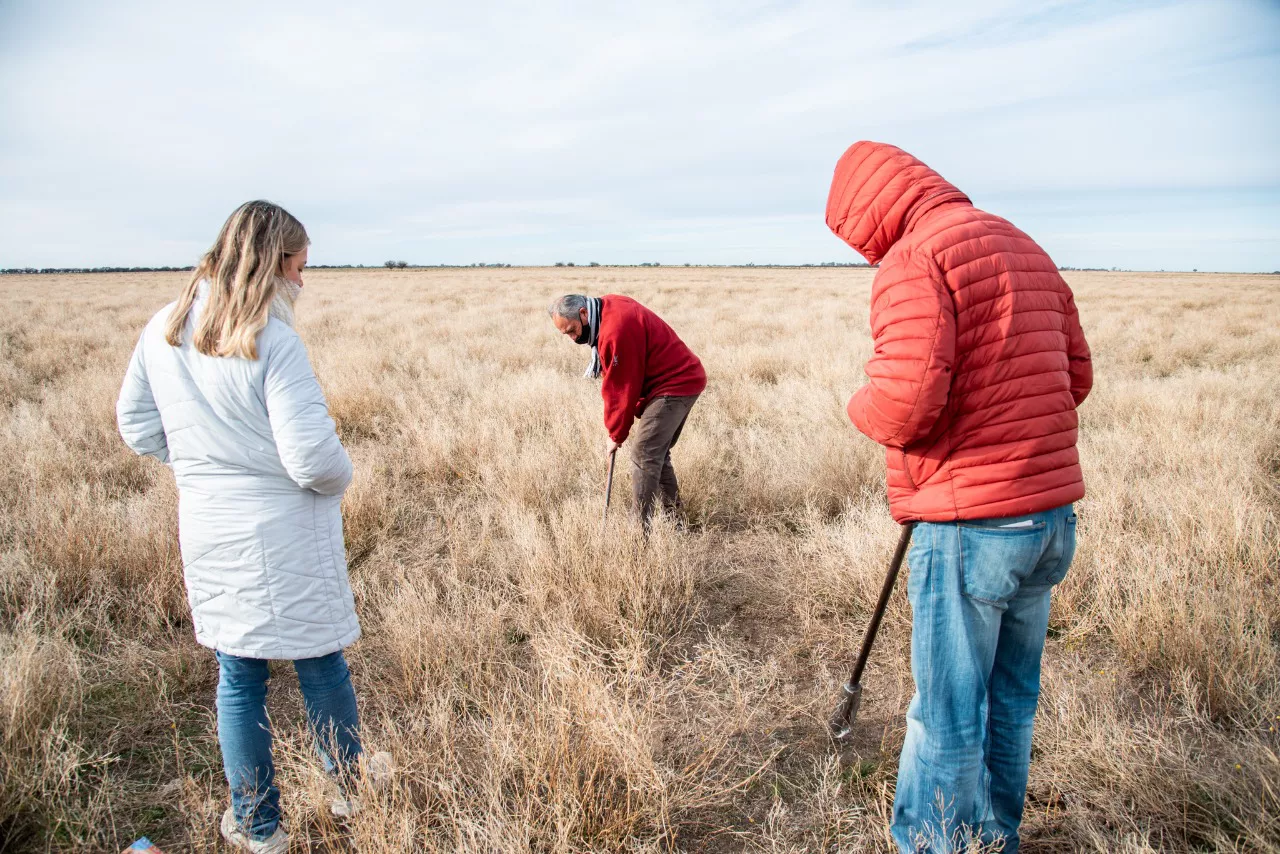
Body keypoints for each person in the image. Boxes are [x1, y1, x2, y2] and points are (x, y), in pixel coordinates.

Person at [825, 142, 1092, 853]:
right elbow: (1077, 375)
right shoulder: (1018, 241)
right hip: (1048, 518)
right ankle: (991, 838)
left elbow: (906, 402)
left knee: (946, 712)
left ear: (869, 212)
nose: (863, 250)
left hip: (971, 523)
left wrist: (860, 405)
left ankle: (935, 844)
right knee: (1010, 700)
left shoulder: (916, 259)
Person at [116, 200, 389, 853]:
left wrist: (201, 466)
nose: (304, 278)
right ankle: (349, 787)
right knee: (320, 660)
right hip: (287, 529)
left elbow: (137, 427)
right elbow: (314, 461)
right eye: (299, 264)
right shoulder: (273, 337)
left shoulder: (163, 327)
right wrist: (340, 477)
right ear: (273, 262)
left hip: (209, 526)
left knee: (237, 674)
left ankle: (259, 825)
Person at [548, 293, 706, 529]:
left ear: (584, 314)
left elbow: (621, 389)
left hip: (675, 384)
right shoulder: (605, 308)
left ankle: (638, 533)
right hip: (677, 379)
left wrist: (615, 435)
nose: (572, 338)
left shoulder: (614, 330)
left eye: (572, 330)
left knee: (644, 454)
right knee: (656, 452)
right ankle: (676, 521)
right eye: (566, 334)